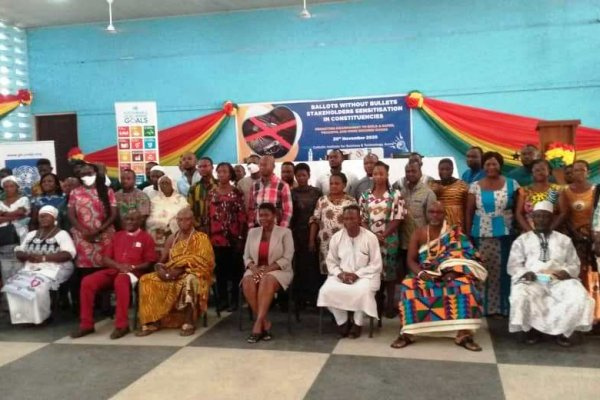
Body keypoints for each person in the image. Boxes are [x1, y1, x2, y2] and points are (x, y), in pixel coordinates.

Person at [391, 202, 487, 351]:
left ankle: (463, 334)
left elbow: (466, 256)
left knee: (465, 286)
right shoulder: (419, 233)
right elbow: (410, 260)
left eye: (438, 212)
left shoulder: (454, 234)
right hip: (424, 271)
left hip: (450, 272)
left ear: (444, 215)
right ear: (427, 214)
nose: (435, 215)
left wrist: (453, 272)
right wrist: (422, 273)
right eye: (432, 212)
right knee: (409, 286)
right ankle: (408, 333)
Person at [507, 201, 595, 346]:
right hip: (532, 278)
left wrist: (566, 272)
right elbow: (513, 265)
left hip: (559, 279)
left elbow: (574, 264)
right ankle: (531, 330)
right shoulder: (522, 240)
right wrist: (525, 272)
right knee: (521, 294)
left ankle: (565, 332)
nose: (541, 220)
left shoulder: (564, 240)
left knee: (579, 296)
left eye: (545, 216)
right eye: (538, 216)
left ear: (552, 219)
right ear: (533, 218)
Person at [71, 211, 157, 339]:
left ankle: (122, 325)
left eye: (133, 219)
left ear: (140, 221)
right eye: (127, 219)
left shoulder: (146, 238)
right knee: (87, 281)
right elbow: (105, 259)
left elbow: (149, 262)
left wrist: (132, 267)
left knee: (121, 280)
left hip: (133, 273)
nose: (129, 222)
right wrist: (119, 266)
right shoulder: (117, 236)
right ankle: (86, 324)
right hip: (114, 270)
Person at [137, 207, 215, 337]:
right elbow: (161, 261)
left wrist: (180, 269)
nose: (183, 222)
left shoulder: (201, 238)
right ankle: (154, 320)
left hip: (194, 272)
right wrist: (161, 270)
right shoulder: (172, 238)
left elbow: (205, 262)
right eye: (180, 220)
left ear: (193, 221)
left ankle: (189, 321)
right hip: (171, 272)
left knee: (189, 280)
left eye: (187, 219)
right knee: (147, 280)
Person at [466, 151, 519, 316]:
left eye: (494, 163)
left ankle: (501, 308)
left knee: (502, 270)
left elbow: (518, 210)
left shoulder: (512, 184)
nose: (491, 167)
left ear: (500, 165)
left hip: (504, 233)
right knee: (482, 269)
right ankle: (482, 307)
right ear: (483, 166)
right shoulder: (475, 186)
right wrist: (467, 235)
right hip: (480, 234)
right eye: (487, 164)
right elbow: (468, 212)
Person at [317, 205, 382, 338]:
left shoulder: (370, 237)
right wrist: (341, 274)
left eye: (352, 218)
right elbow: (331, 262)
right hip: (342, 275)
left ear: (359, 219)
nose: (349, 222)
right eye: (346, 219)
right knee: (326, 291)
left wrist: (357, 274)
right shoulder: (337, 237)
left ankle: (358, 324)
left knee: (362, 292)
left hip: (366, 276)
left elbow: (376, 264)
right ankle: (343, 322)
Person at [2, 206, 74, 324]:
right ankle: (23, 317)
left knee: (37, 288)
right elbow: (19, 250)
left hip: (55, 267)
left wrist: (44, 258)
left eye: (47, 216)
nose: (43, 218)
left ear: (54, 218)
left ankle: (42, 317)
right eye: (41, 216)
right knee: (13, 286)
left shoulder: (62, 234)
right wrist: (26, 256)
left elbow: (68, 254)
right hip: (31, 268)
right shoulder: (31, 234)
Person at [359, 161, 407, 318]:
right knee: (372, 272)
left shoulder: (395, 195)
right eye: (375, 173)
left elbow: (398, 218)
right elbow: (362, 218)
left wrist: (383, 235)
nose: (378, 176)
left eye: (381, 173)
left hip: (390, 239)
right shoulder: (365, 196)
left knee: (390, 274)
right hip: (370, 240)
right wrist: (373, 236)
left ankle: (389, 306)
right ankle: (375, 304)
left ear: (387, 175)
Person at [242, 203, 294, 343]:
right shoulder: (253, 233)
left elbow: (287, 258)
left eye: (266, 215)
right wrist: (253, 268)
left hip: (278, 271)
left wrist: (268, 269)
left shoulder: (285, 233)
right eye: (261, 215)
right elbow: (246, 256)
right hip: (257, 269)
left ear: (274, 216)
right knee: (247, 281)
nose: (263, 218)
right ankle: (264, 322)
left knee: (267, 279)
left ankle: (258, 324)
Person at [208, 162, 247, 312]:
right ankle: (223, 300)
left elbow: (242, 216)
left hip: (233, 238)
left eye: (224, 172)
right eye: (219, 172)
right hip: (216, 239)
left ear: (230, 175)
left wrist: (241, 237)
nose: (221, 174)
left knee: (235, 271)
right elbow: (208, 214)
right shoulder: (212, 193)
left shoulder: (237, 193)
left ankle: (235, 300)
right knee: (220, 271)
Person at [310, 173, 358, 275]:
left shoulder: (351, 201)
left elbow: (356, 222)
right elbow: (315, 220)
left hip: (346, 242)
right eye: (331, 183)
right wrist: (311, 240)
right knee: (329, 273)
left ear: (344, 185)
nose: (333, 186)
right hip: (326, 243)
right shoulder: (322, 200)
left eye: (337, 183)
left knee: (345, 271)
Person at [290, 163, 322, 306]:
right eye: (298, 175)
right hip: (297, 233)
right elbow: (290, 215)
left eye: (304, 175)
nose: (301, 178)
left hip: (314, 233)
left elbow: (319, 214)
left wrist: (314, 236)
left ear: (308, 175)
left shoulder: (316, 192)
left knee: (314, 266)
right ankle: (300, 298)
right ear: (295, 176)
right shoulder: (292, 193)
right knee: (299, 266)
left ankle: (315, 297)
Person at [398, 161, 437, 280]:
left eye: (413, 171)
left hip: (422, 244)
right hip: (404, 242)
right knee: (408, 277)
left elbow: (433, 221)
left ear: (420, 173)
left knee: (422, 276)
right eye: (407, 172)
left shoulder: (428, 193)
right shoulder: (401, 192)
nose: (410, 174)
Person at [556, 160, 596, 272]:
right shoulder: (563, 191)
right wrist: (574, 232)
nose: (578, 173)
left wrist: (592, 233)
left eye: (582, 170)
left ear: (588, 173)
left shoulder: (596, 190)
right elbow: (559, 213)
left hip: (593, 236)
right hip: (571, 236)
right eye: (576, 170)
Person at [515, 159, 561, 232]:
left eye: (543, 169)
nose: (540, 172)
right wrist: (531, 232)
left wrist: (550, 230)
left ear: (549, 171)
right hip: (529, 233)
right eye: (537, 170)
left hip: (553, 232)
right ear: (532, 172)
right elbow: (519, 214)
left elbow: (563, 213)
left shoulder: (558, 190)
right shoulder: (524, 191)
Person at [247, 155, 293, 228]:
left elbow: (288, 211)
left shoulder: (283, 185)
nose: (262, 167)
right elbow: (251, 209)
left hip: (276, 228)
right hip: (257, 228)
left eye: (265, 165)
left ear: (273, 166)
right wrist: (251, 226)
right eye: (260, 165)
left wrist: (281, 229)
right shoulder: (254, 186)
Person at [146, 175, 188, 254]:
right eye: (162, 183)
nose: (164, 185)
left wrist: (169, 226)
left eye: (167, 183)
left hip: (175, 234)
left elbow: (185, 217)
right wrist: (160, 225)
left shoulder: (181, 200)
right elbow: (150, 219)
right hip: (157, 234)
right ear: (159, 185)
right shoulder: (154, 200)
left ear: (173, 185)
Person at [0, 176, 31, 279]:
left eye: (11, 186)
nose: (8, 189)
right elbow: (18, 215)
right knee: (6, 268)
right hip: (3, 236)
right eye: (6, 187)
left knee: (21, 266)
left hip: (21, 235)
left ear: (17, 187)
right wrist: (15, 216)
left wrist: (4, 214)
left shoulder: (24, 199)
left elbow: (21, 213)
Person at [431, 158, 469, 228]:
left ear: (452, 170)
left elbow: (467, 208)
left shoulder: (462, 185)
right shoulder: (432, 186)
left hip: (457, 226)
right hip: (439, 227)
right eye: (441, 169)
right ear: (438, 170)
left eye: (447, 169)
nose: (444, 172)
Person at [188, 157, 217, 232]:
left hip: (218, 228)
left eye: (205, 166)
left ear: (212, 167)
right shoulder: (193, 188)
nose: (202, 169)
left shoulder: (219, 185)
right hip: (199, 228)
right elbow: (189, 209)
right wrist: (197, 225)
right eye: (200, 167)